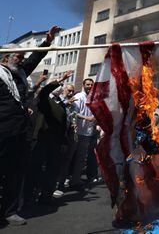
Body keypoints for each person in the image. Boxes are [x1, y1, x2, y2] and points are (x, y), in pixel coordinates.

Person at [0, 26, 58, 226]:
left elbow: (34, 60)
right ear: (4, 58)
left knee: (15, 174)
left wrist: (47, 42)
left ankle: (9, 210)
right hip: (2, 132)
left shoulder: (20, 75)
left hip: (21, 133)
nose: (21, 59)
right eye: (18, 56)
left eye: (22, 56)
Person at [24, 71, 73, 204]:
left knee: (52, 170)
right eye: (57, 87)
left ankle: (46, 195)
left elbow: (64, 126)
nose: (59, 89)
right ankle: (28, 196)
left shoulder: (62, 105)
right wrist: (60, 79)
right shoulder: (44, 100)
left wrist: (63, 142)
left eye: (60, 88)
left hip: (55, 143)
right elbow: (45, 90)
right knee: (35, 168)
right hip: (41, 140)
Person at [70, 78, 98, 190]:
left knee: (81, 159)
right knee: (69, 157)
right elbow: (73, 113)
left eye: (91, 85)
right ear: (83, 85)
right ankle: (61, 182)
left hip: (87, 133)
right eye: (87, 84)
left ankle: (75, 181)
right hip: (76, 132)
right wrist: (86, 117)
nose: (90, 86)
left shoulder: (93, 98)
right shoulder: (78, 97)